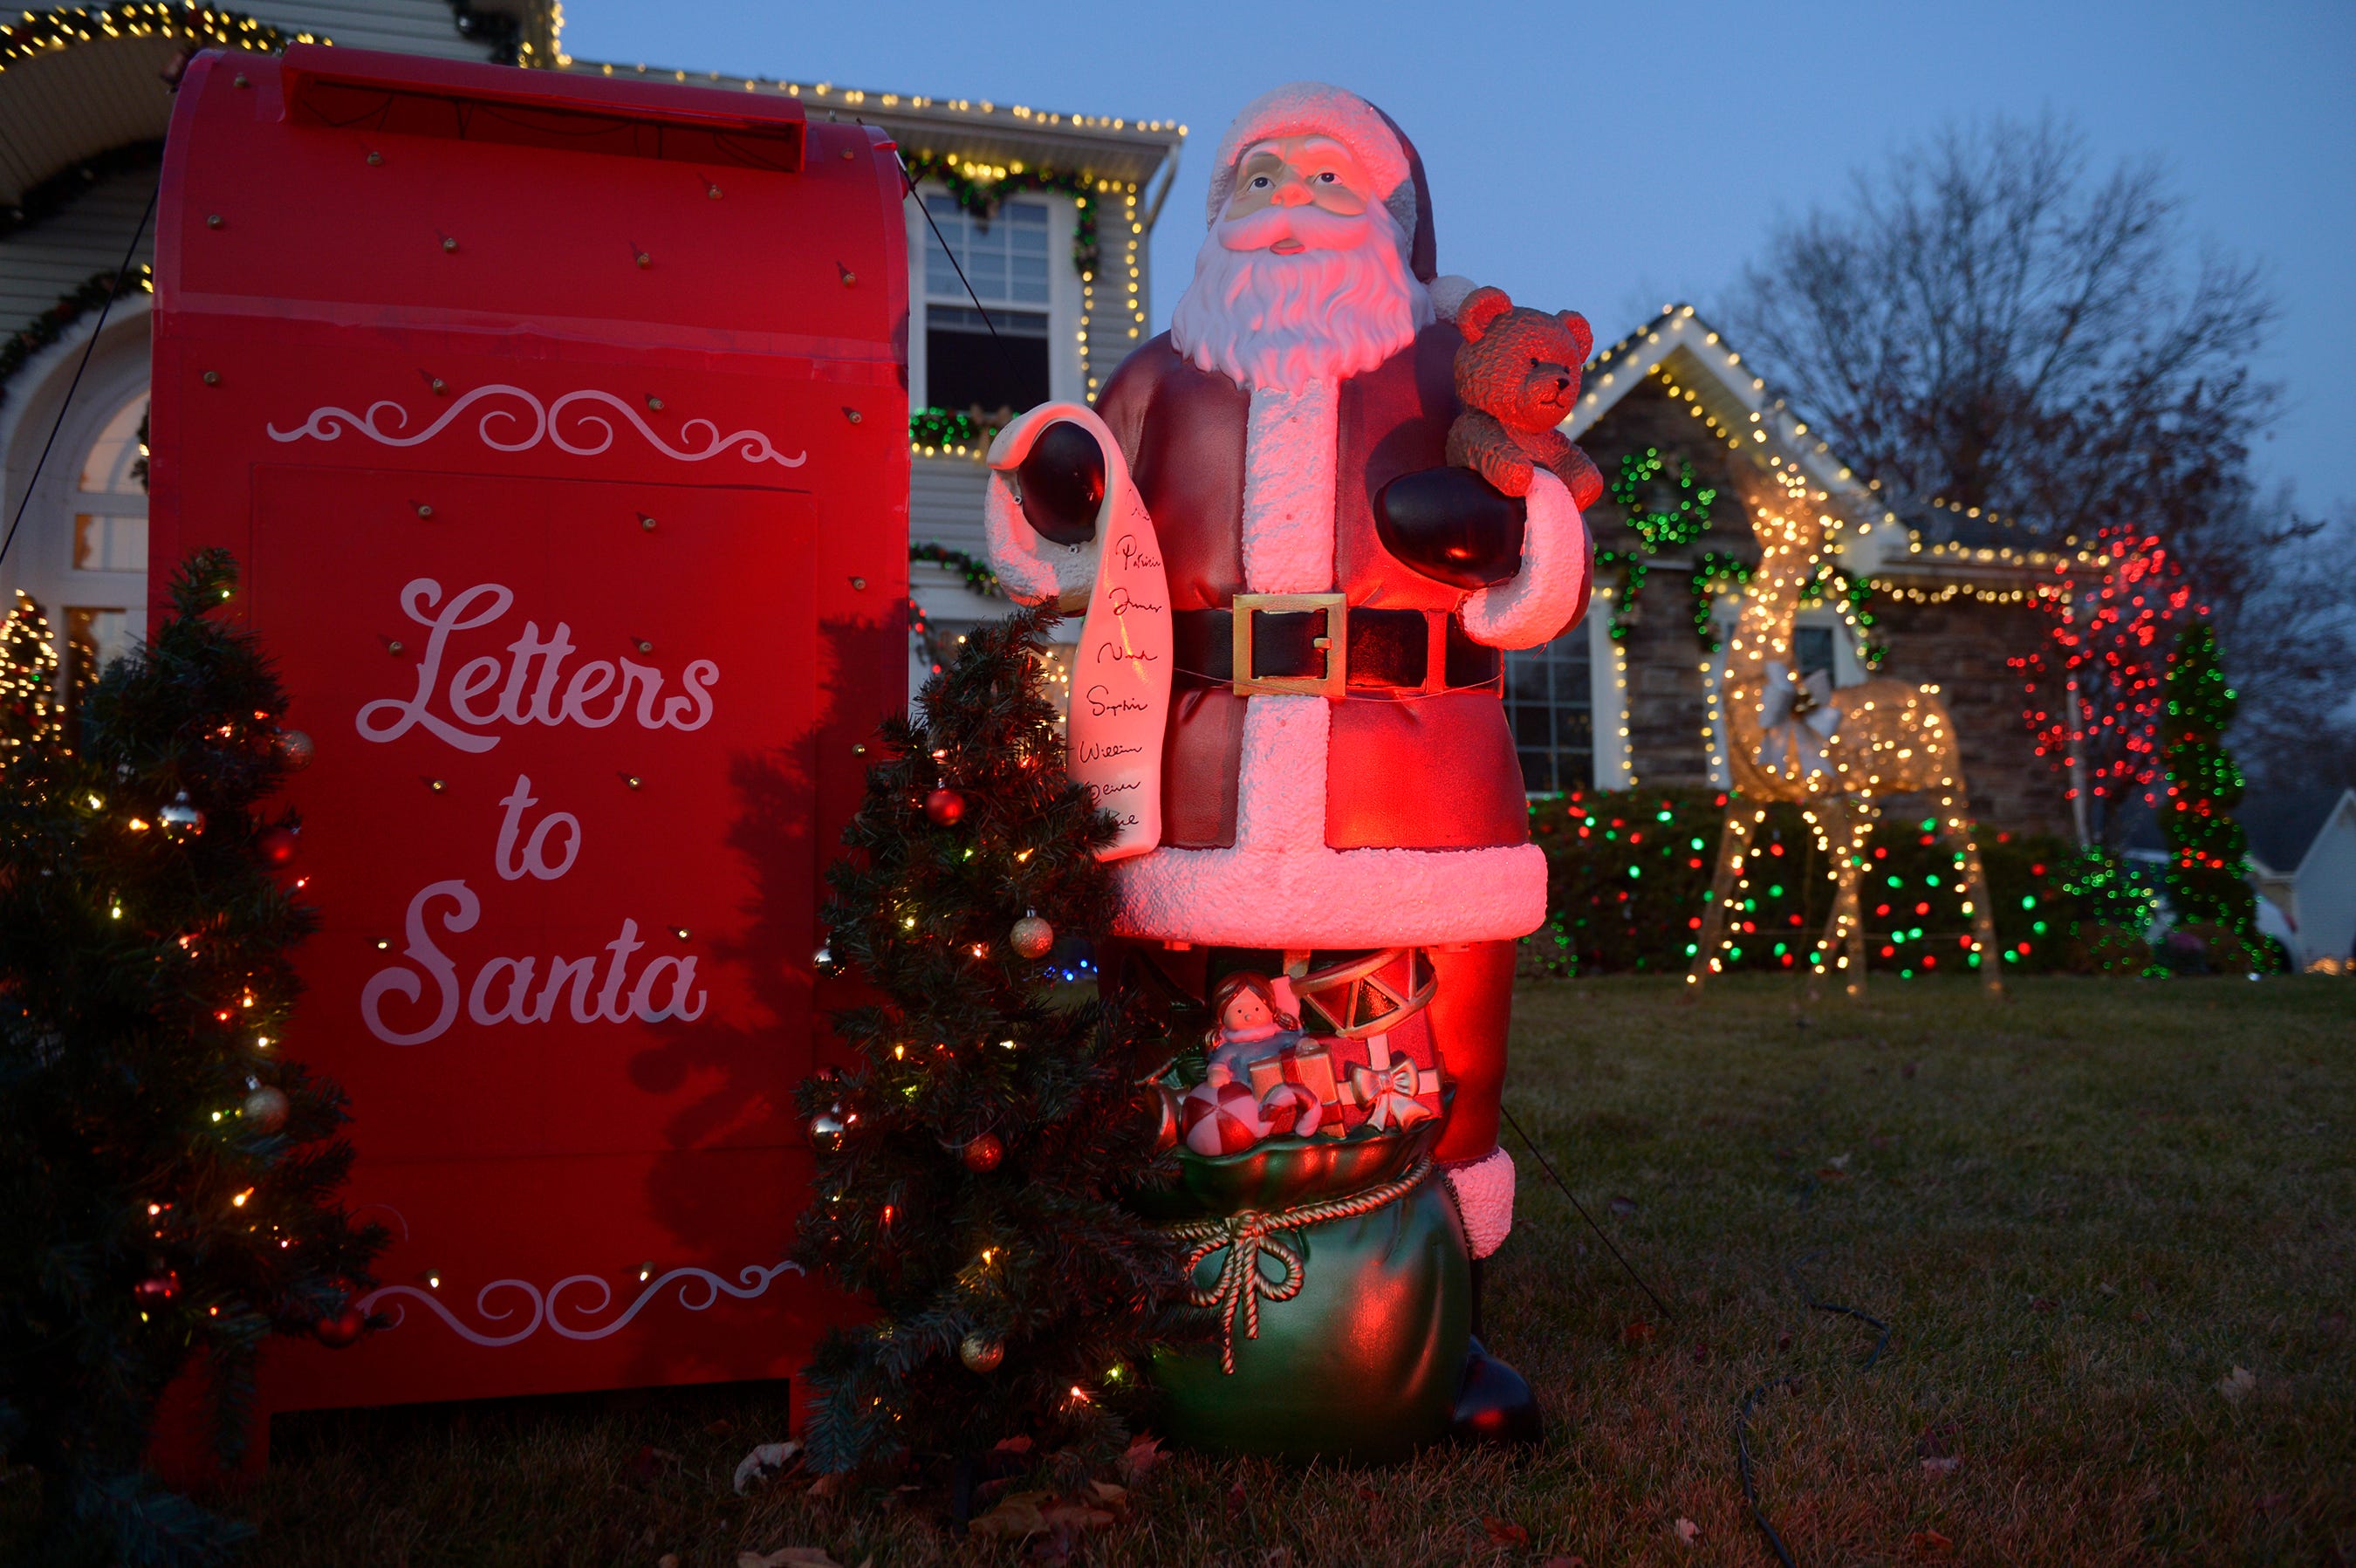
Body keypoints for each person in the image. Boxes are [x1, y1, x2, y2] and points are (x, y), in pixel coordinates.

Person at [982, 82, 1590, 1442]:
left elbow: (1549, 553)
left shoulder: (1447, 377)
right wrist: (1053, 494)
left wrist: (1517, 537)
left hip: (1413, 783)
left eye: (1327, 178)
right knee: (1168, 1046)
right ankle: (1157, 1319)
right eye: (1259, 178)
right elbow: (1069, 539)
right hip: (1195, 775)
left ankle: (1445, 1320)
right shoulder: (1163, 375)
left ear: (1394, 220)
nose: (1287, 204)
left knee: (1449, 1053)